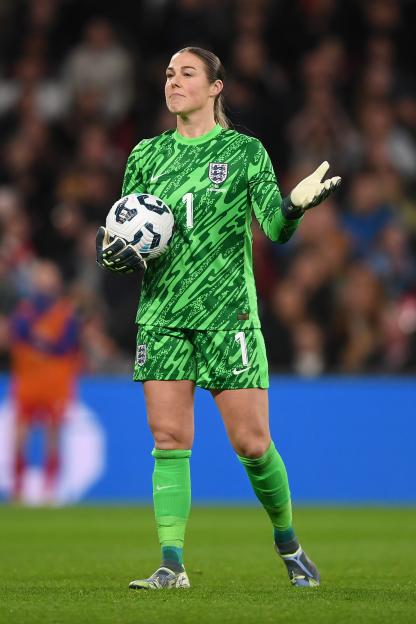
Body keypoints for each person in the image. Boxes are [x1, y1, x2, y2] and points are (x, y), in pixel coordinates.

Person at [96, 47, 341, 590]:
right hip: (162, 313)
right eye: (167, 74)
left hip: (227, 314)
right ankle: (171, 563)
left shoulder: (245, 152)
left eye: (187, 74)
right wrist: (114, 251)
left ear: (215, 88)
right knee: (168, 438)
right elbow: (128, 234)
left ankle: (290, 545)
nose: (173, 82)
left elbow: (274, 230)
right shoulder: (146, 155)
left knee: (252, 443)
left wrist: (294, 207)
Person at [9, 260, 80, 502]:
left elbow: (65, 345)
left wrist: (38, 342)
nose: (44, 281)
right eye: (41, 276)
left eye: (48, 276)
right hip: (28, 381)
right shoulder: (25, 311)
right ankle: (17, 489)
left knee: (53, 435)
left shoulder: (64, 313)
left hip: (55, 382)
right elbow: (18, 334)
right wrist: (44, 342)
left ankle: (50, 490)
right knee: (20, 436)